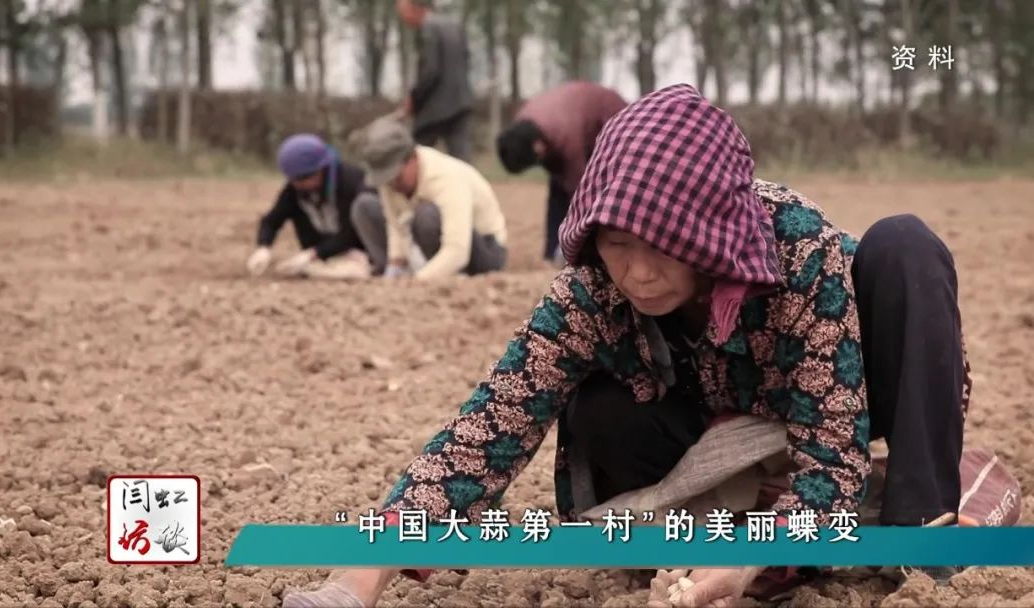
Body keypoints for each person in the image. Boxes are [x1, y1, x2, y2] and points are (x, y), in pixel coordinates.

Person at [283, 85, 973, 608]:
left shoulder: (797, 250)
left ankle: (916, 528)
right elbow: (491, 423)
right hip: (711, 428)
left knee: (905, 245)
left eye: (663, 251)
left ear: (708, 236)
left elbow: (829, 435)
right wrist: (358, 570)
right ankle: (716, 539)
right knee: (597, 406)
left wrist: (758, 552)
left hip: (837, 402)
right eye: (618, 246)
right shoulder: (591, 287)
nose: (637, 274)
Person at [349, 117, 508, 280]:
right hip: (422, 244)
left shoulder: (445, 177)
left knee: (426, 214)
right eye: (386, 180)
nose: (392, 186)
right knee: (364, 207)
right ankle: (416, 271)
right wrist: (393, 267)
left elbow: (458, 250)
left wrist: (417, 281)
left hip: (483, 250)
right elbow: (394, 225)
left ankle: (444, 275)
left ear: (411, 158)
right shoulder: (390, 183)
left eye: (397, 178)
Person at [497, 81, 628, 265]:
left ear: (538, 148)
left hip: (610, 120)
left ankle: (590, 253)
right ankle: (552, 252)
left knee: (593, 192)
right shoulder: (527, 126)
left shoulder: (566, 135)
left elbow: (581, 193)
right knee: (557, 187)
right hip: (577, 121)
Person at [247, 134, 377, 279]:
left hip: (358, 249)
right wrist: (263, 247)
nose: (298, 184)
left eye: (303, 178)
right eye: (293, 179)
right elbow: (271, 221)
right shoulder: (295, 191)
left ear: (321, 169)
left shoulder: (351, 182)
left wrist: (314, 254)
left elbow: (352, 232)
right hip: (325, 253)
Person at [395, 0, 474, 163]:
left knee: (416, 155)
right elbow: (466, 59)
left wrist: (413, 100)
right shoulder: (455, 25)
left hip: (436, 109)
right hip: (462, 102)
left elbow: (431, 71)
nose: (402, 18)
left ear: (414, 9)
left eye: (402, 12)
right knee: (462, 161)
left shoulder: (428, 29)